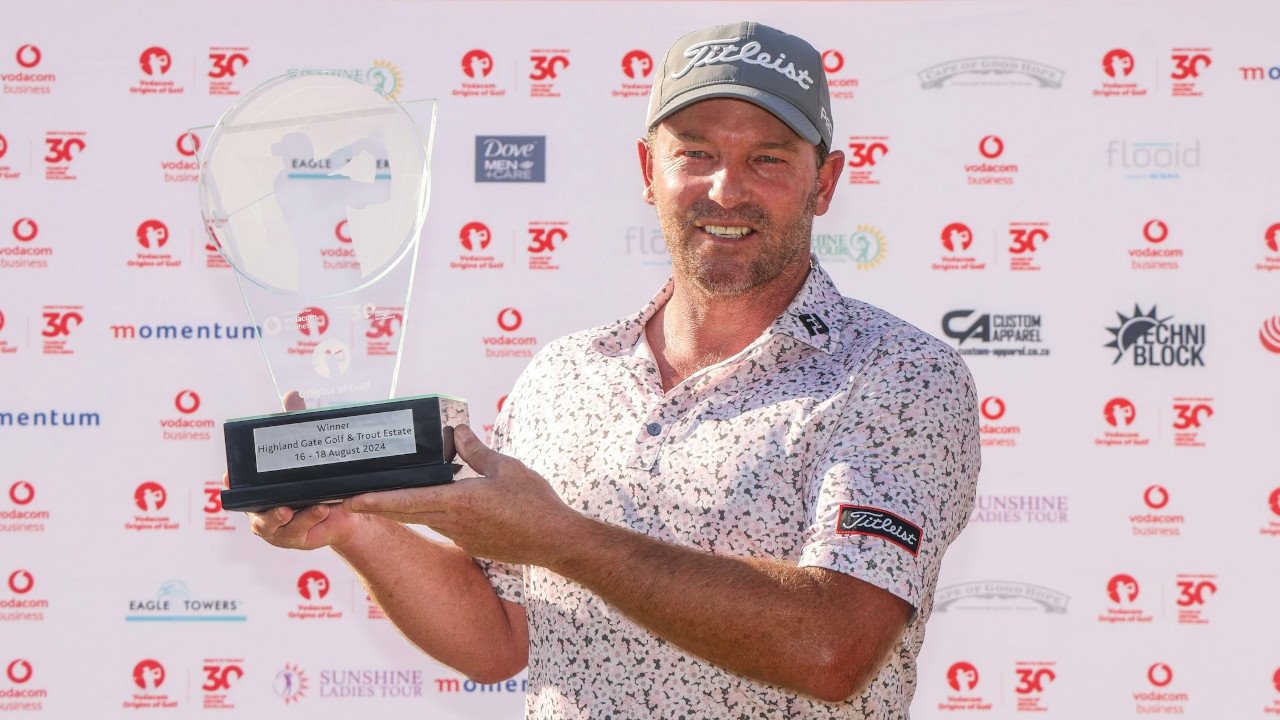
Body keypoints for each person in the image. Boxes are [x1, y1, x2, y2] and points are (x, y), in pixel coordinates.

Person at [247, 21, 980, 719]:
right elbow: (500, 636)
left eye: (768, 159)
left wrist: (560, 538)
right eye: (695, 153)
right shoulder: (566, 373)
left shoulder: (899, 375)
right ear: (648, 171)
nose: (726, 189)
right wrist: (351, 524)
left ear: (824, 182)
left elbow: (833, 647)